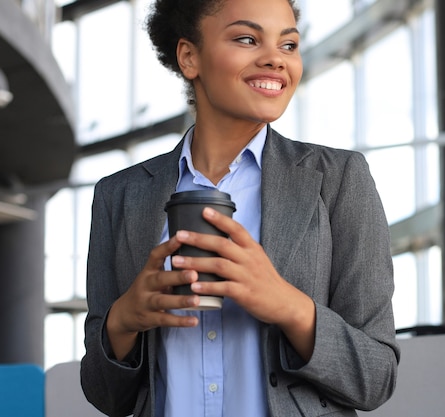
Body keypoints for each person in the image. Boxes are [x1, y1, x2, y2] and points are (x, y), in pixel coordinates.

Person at [80, 0, 399, 415]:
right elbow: (104, 395)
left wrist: (288, 305)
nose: (274, 59)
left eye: (289, 45)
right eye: (247, 39)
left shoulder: (339, 179)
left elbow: (377, 379)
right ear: (189, 57)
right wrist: (123, 321)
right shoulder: (119, 196)